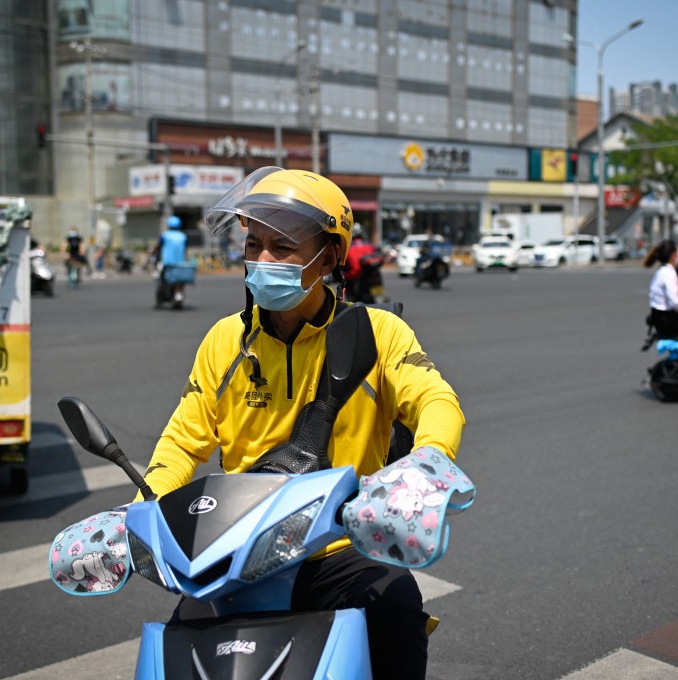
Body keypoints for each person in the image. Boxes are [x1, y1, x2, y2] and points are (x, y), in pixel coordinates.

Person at [137, 167, 465, 679]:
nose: (262, 260)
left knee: (396, 608)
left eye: (282, 247)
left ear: (330, 256)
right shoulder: (225, 340)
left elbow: (436, 399)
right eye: (253, 244)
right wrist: (141, 508)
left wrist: (427, 461)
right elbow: (183, 439)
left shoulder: (378, 332)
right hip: (233, 548)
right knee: (182, 643)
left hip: (339, 547)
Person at [643, 239, 678, 339]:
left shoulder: (662, 271)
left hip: (658, 316)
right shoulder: (668, 273)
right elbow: (675, 302)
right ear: (674, 255)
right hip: (667, 319)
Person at [152, 215, 189, 305]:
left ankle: (163, 298)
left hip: (167, 263)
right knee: (180, 281)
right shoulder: (183, 236)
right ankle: (178, 294)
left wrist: (153, 251)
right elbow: (185, 249)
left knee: (162, 279)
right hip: (180, 263)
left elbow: (158, 246)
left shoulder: (165, 236)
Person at [344, 224, 378, 301]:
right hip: (370, 276)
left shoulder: (349, 247)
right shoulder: (369, 245)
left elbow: (344, 262)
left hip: (355, 276)